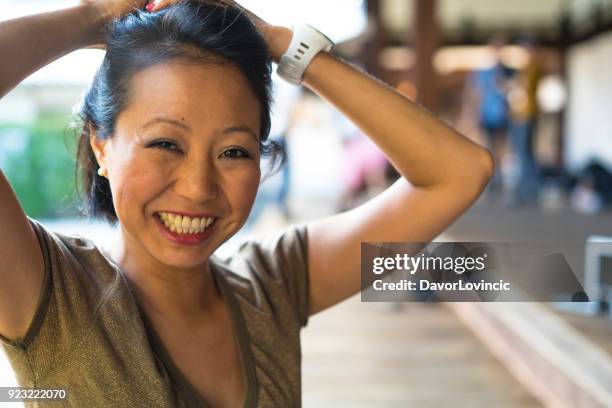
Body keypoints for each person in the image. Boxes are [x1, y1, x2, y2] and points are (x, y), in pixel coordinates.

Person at [0, 0, 493, 406]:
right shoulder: (51, 297)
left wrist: (277, 42)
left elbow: (459, 174)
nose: (198, 187)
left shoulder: (272, 286)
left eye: (234, 151)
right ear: (102, 145)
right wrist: (93, 16)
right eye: (165, 144)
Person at [470, 36, 513, 193]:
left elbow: (510, 92)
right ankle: (490, 182)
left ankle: (499, 180)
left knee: (500, 150)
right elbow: (477, 94)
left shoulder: (507, 70)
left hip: (501, 116)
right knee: (488, 150)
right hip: (487, 115)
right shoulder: (483, 72)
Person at [508, 41, 542, 205]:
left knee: (523, 153)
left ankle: (526, 189)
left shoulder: (531, 69)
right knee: (526, 153)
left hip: (525, 115)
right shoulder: (529, 69)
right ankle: (530, 188)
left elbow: (523, 91)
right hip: (525, 114)